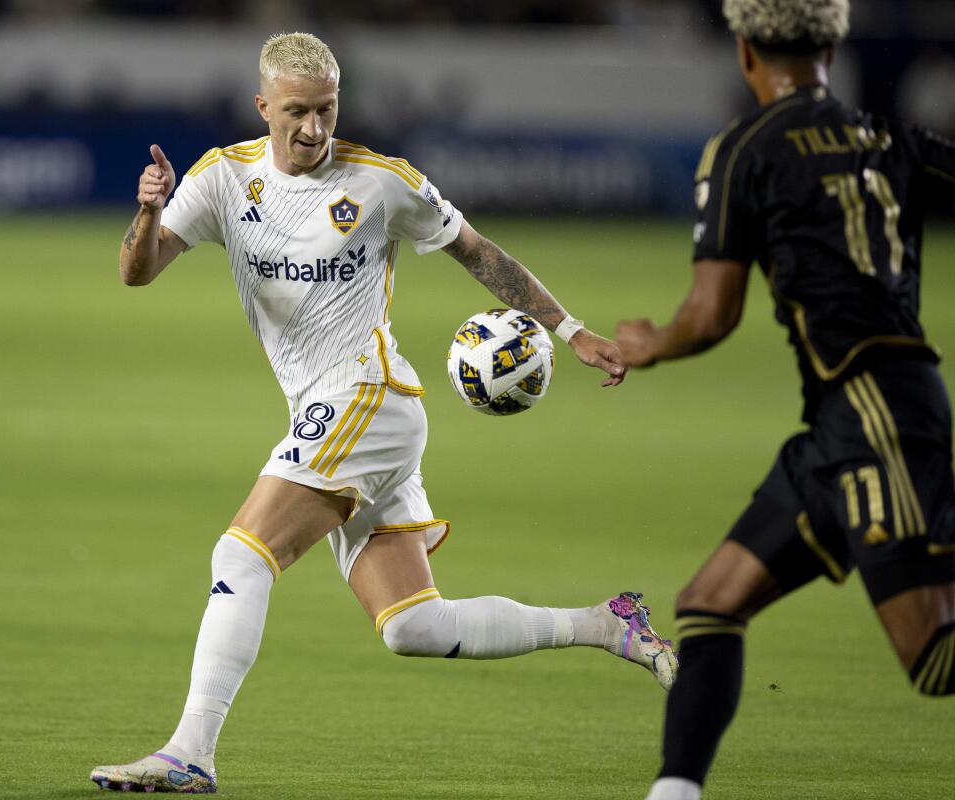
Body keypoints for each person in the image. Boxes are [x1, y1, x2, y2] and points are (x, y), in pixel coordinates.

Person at [89, 31, 678, 794]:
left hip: (368, 395)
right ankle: (607, 624)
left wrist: (572, 331)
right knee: (413, 628)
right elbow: (139, 272)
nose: (313, 129)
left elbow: (478, 252)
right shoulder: (222, 180)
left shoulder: (381, 181)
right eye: (296, 112)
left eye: (327, 110)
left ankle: (190, 753)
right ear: (262, 106)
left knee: (242, 554)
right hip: (341, 409)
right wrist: (147, 213)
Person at [615, 2, 955, 799]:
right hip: (847, 420)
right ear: (833, 45)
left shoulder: (745, 149)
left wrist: (646, 343)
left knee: (934, 662)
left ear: (744, 52)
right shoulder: (889, 137)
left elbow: (710, 316)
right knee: (708, 603)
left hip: (876, 416)